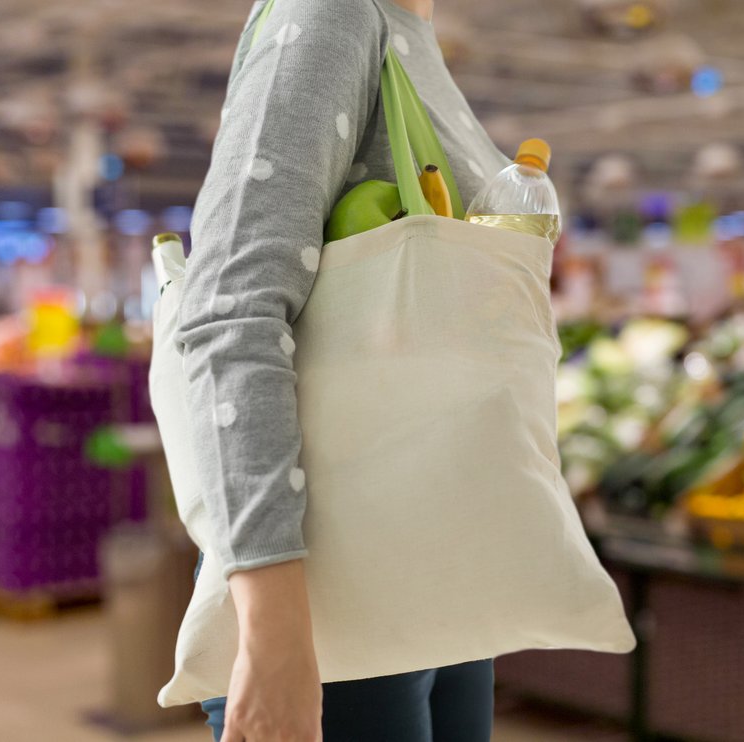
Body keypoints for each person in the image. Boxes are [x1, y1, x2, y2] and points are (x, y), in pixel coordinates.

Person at [177, 0, 509, 739]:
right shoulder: (333, 13)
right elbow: (233, 309)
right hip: (338, 596)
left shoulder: (404, 30)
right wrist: (275, 641)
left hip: (435, 565)